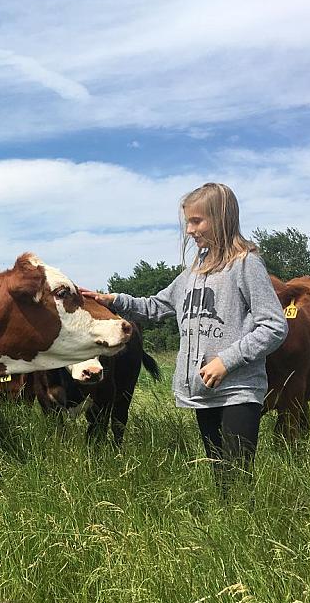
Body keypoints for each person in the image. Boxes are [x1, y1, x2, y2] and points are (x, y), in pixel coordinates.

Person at [81, 183, 287, 485]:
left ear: (221, 218)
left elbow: (274, 326)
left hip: (237, 390)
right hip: (204, 392)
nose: (189, 230)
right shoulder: (192, 274)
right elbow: (155, 306)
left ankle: (242, 529)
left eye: (196, 221)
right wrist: (113, 301)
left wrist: (226, 361)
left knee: (237, 478)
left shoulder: (246, 265)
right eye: (188, 222)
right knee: (221, 475)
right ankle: (226, 530)